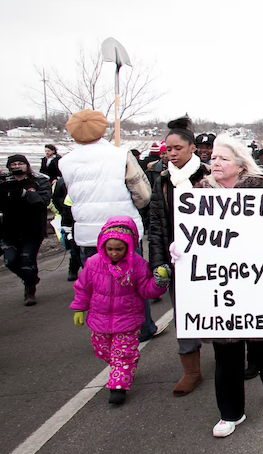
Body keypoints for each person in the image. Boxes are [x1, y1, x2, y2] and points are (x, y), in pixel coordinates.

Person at [178, 134, 263, 438]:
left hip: (259, 284)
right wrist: (180, 250)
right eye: (214, 158)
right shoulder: (199, 193)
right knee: (226, 354)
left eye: (223, 158)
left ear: (239, 162)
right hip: (219, 289)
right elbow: (188, 234)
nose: (215, 162)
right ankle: (230, 412)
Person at [60, 110, 157, 339]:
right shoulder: (120, 155)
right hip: (123, 229)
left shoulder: (65, 162)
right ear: (103, 129)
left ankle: (105, 330)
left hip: (87, 232)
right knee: (134, 281)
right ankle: (143, 328)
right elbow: (142, 193)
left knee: (98, 285)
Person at [70, 216, 170, 405]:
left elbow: (146, 290)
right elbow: (83, 287)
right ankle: (120, 368)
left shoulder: (137, 265)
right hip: (100, 320)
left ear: (129, 246)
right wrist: (79, 308)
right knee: (105, 351)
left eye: (119, 249)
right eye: (110, 249)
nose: (114, 253)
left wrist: (159, 282)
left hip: (128, 320)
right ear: (103, 245)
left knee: (123, 354)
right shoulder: (93, 263)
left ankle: (118, 386)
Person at [146, 117, 212, 397]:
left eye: (177, 148)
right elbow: (157, 224)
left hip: (211, 257)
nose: (171, 153)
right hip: (178, 258)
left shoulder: (209, 177)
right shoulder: (162, 181)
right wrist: (159, 261)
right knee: (184, 312)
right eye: (168, 149)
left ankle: (229, 356)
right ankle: (191, 371)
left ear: (192, 149)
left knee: (215, 307)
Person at [0, 154, 51, 306]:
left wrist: (25, 193)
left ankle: (29, 290)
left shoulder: (39, 181)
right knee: (10, 261)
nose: (16, 166)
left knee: (28, 260)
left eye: (20, 163)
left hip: (32, 230)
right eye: (13, 164)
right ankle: (31, 278)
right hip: (9, 230)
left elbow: (43, 202)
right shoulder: (4, 183)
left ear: (27, 165)